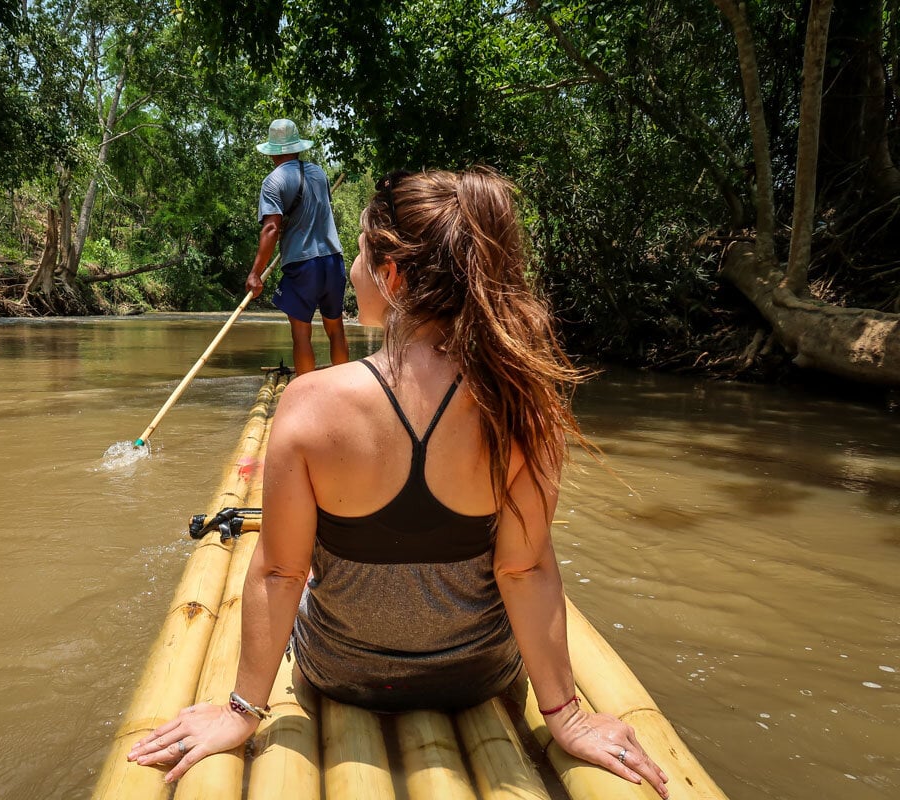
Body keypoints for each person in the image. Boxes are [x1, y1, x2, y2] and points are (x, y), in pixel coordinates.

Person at [128, 167, 670, 798]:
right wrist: (567, 718)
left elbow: (280, 573)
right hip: (481, 674)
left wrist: (239, 712)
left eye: (360, 253)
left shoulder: (308, 405)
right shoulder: (524, 398)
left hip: (340, 672)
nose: (351, 270)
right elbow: (524, 571)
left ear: (391, 277)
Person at [245, 118, 349, 374]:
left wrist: (255, 273)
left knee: (301, 333)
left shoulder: (272, 182)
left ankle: (306, 397)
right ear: (298, 147)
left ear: (272, 152)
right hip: (333, 260)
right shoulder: (319, 173)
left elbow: (271, 228)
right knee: (336, 329)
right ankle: (346, 387)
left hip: (303, 264)